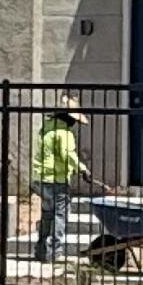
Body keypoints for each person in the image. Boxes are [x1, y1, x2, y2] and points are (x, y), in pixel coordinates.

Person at [31, 99, 94, 260]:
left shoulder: (45, 129)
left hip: (39, 178)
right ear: (69, 118)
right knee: (60, 215)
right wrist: (82, 169)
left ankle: (41, 250)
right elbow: (67, 155)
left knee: (47, 214)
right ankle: (54, 252)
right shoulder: (64, 133)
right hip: (56, 180)